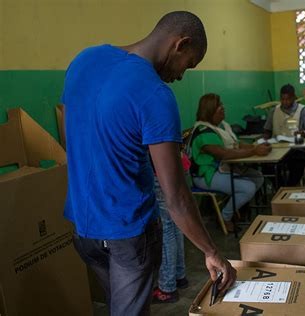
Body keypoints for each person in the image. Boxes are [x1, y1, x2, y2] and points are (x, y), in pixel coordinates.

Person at [62, 11, 236, 315]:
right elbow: (176, 198)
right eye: (189, 64)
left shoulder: (84, 60)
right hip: (128, 234)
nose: (182, 75)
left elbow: (68, 122)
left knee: (118, 305)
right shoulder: (156, 95)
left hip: (84, 228)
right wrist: (211, 252)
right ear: (180, 44)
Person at [190, 94, 271, 233]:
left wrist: (257, 148)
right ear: (209, 110)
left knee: (257, 177)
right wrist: (254, 151)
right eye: (218, 106)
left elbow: (236, 145)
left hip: (221, 170)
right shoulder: (203, 131)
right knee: (248, 188)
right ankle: (225, 217)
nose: (223, 108)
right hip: (206, 175)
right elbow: (224, 154)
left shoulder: (220, 127)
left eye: (222, 105)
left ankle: (239, 209)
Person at [151, 154, 189, 303]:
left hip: (160, 170)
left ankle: (167, 288)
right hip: (179, 164)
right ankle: (179, 276)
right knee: (176, 223)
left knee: (166, 227)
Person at [263, 84, 305, 186]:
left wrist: (303, 132)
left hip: (295, 149)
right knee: (266, 167)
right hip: (277, 148)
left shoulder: (302, 110)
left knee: (297, 164)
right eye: (282, 99)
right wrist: (264, 139)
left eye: (288, 99)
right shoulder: (274, 111)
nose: (285, 102)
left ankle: (289, 188)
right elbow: (267, 131)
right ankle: (281, 188)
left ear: (294, 97)